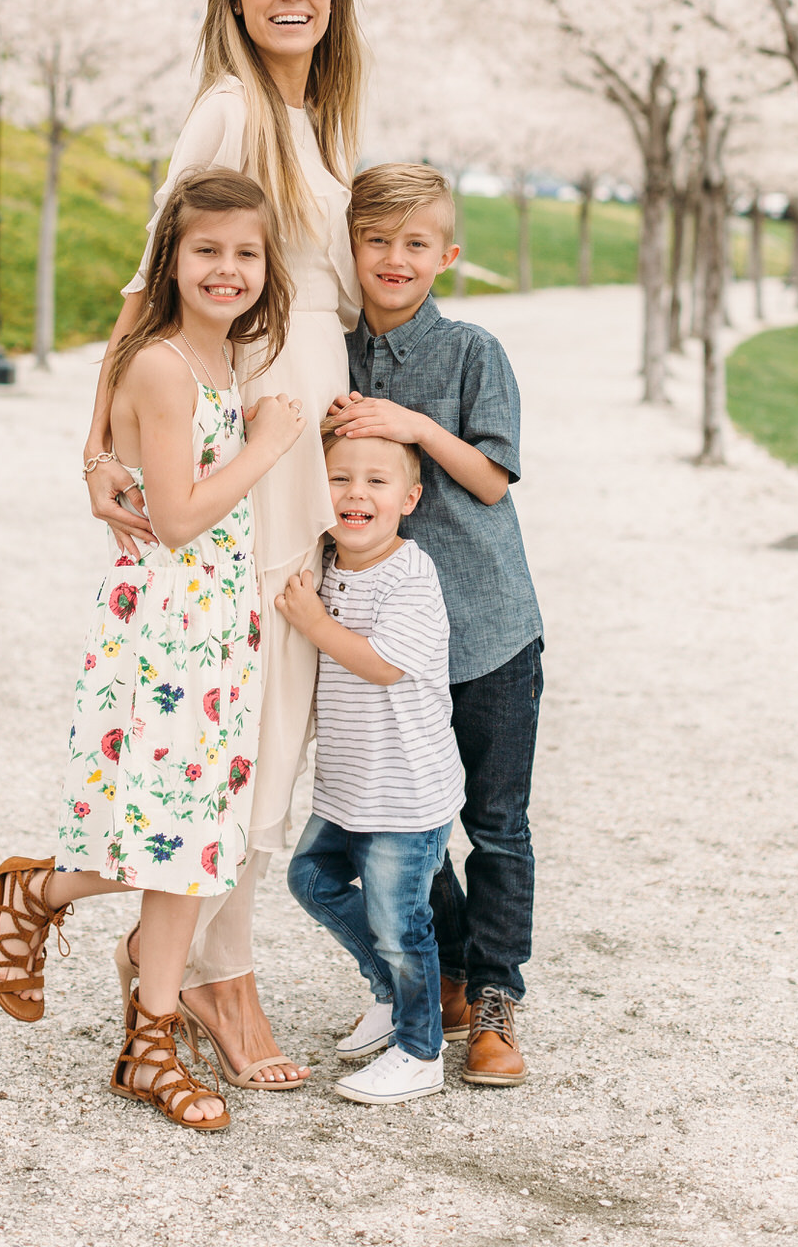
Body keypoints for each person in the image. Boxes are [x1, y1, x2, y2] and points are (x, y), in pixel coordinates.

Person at [67, 0, 364, 1088]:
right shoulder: (232, 108)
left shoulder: (312, 119)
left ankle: (181, 954)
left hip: (310, 429)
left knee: (276, 705)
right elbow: (155, 278)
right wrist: (97, 447)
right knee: (248, 715)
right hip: (258, 427)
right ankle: (211, 975)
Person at [0, 170, 306, 1131]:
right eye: (206, 250)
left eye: (246, 253)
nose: (227, 268)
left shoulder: (220, 360)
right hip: (167, 633)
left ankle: (148, 1045)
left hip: (217, 626)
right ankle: (38, 890)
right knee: (173, 833)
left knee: (198, 842)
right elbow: (176, 517)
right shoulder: (166, 367)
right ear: (170, 258)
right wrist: (267, 446)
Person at [327, 162, 543, 1086]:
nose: (395, 258)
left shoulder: (471, 351)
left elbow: (491, 480)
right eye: (376, 239)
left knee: (495, 824)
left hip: (487, 629)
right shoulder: (331, 354)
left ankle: (494, 998)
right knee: (401, 816)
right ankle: (445, 971)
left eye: (416, 243)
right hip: (385, 639)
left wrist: (411, 424)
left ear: (446, 255)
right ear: (351, 248)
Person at [278, 425, 463, 1105]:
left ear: (409, 499)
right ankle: (391, 992)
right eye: (339, 479)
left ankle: (421, 1051)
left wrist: (314, 623)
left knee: (401, 924)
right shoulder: (326, 563)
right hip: (350, 786)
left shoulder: (411, 575)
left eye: (376, 482)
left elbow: (384, 665)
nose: (356, 493)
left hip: (406, 793)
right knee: (311, 879)